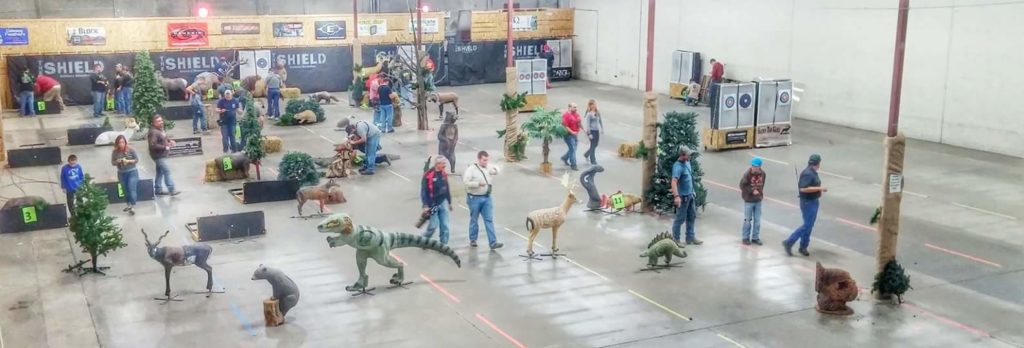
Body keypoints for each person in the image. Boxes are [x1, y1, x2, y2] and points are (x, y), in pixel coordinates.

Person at [783, 154, 826, 257]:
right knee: (807, 225)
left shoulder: (812, 172)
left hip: (813, 201)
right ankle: (789, 242)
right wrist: (820, 189)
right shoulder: (808, 173)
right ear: (818, 163)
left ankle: (803, 246)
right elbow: (803, 188)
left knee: (809, 225)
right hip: (808, 202)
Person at [463, 151, 504, 250]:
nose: (486, 162)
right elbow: (466, 182)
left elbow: (498, 169)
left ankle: (493, 242)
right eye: (484, 160)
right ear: (479, 159)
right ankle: (473, 239)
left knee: (489, 220)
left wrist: (495, 170)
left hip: (486, 198)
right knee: (474, 219)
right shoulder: (471, 170)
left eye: (487, 160)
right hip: (474, 198)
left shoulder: (489, 167)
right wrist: (477, 184)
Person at [671, 145, 702, 245]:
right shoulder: (677, 167)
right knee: (680, 219)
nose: (689, 156)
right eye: (688, 155)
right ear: (682, 155)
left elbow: (690, 178)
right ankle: (676, 239)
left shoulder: (687, 163)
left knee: (691, 217)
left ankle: (690, 237)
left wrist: (693, 191)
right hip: (683, 197)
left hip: (690, 195)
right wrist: (676, 196)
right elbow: (674, 182)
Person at [421, 156, 453, 246]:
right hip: (433, 204)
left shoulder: (444, 174)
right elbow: (424, 192)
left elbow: (447, 189)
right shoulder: (428, 176)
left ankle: (444, 245)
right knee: (433, 226)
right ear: (437, 164)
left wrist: (449, 202)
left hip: (443, 202)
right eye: (443, 163)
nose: (445, 165)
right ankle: (423, 241)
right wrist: (425, 205)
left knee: (445, 225)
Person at [148, 115, 180, 196]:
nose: (161, 122)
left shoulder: (160, 130)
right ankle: (171, 189)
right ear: (153, 123)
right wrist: (165, 147)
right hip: (158, 156)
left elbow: (163, 137)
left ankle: (158, 189)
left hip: (161, 155)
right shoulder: (153, 132)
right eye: (158, 121)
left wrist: (169, 141)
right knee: (167, 171)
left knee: (159, 172)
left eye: (161, 120)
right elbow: (152, 145)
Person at [739, 157, 766, 245]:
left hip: (758, 200)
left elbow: (762, 185)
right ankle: (745, 237)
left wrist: (759, 193)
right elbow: (742, 185)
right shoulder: (747, 174)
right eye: (753, 166)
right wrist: (752, 190)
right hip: (749, 201)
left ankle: (755, 237)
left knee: (757, 220)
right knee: (747, 220)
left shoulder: (763, 174)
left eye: (756, 166)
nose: (754, 168)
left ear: (760, 167)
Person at [111, 135, 139, 215]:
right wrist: (118, 161)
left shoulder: (131, 150)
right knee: (125, 190)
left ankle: (133, 207)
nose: (121, 144)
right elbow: (113, 162)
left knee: (131, 189)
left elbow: (137, 160)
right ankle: (128, 205)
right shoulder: (115, 152)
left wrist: (129, 161)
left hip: (132, 172)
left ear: (125, 142)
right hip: (121, 173)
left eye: (123, 142)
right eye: (119, 142)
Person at [560, 103, 582, 171]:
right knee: (573, 149)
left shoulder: (576, 114)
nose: (576, 109)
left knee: (574, 149)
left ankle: (565, 157)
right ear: (569, 107)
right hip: (568, 135)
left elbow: (579, 123)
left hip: (575, 134)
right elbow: (565, 126)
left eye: (576, 107)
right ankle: (573, 164)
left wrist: (582, 128)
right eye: (574, 107)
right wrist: (572, 132)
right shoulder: (566, 116)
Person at [582, 99, 604, 165]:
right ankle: (593, 160)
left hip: (597, 131)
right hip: (592, 131)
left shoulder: (597, 112)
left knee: (595, 144)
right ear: (590, 106)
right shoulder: (589, 114)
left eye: (595, 104)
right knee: (593, 145)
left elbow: (600, 120)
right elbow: (588, 125)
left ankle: (586, 154)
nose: (594, 105)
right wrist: (589, 134)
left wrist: (602, 128)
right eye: (593, 104)